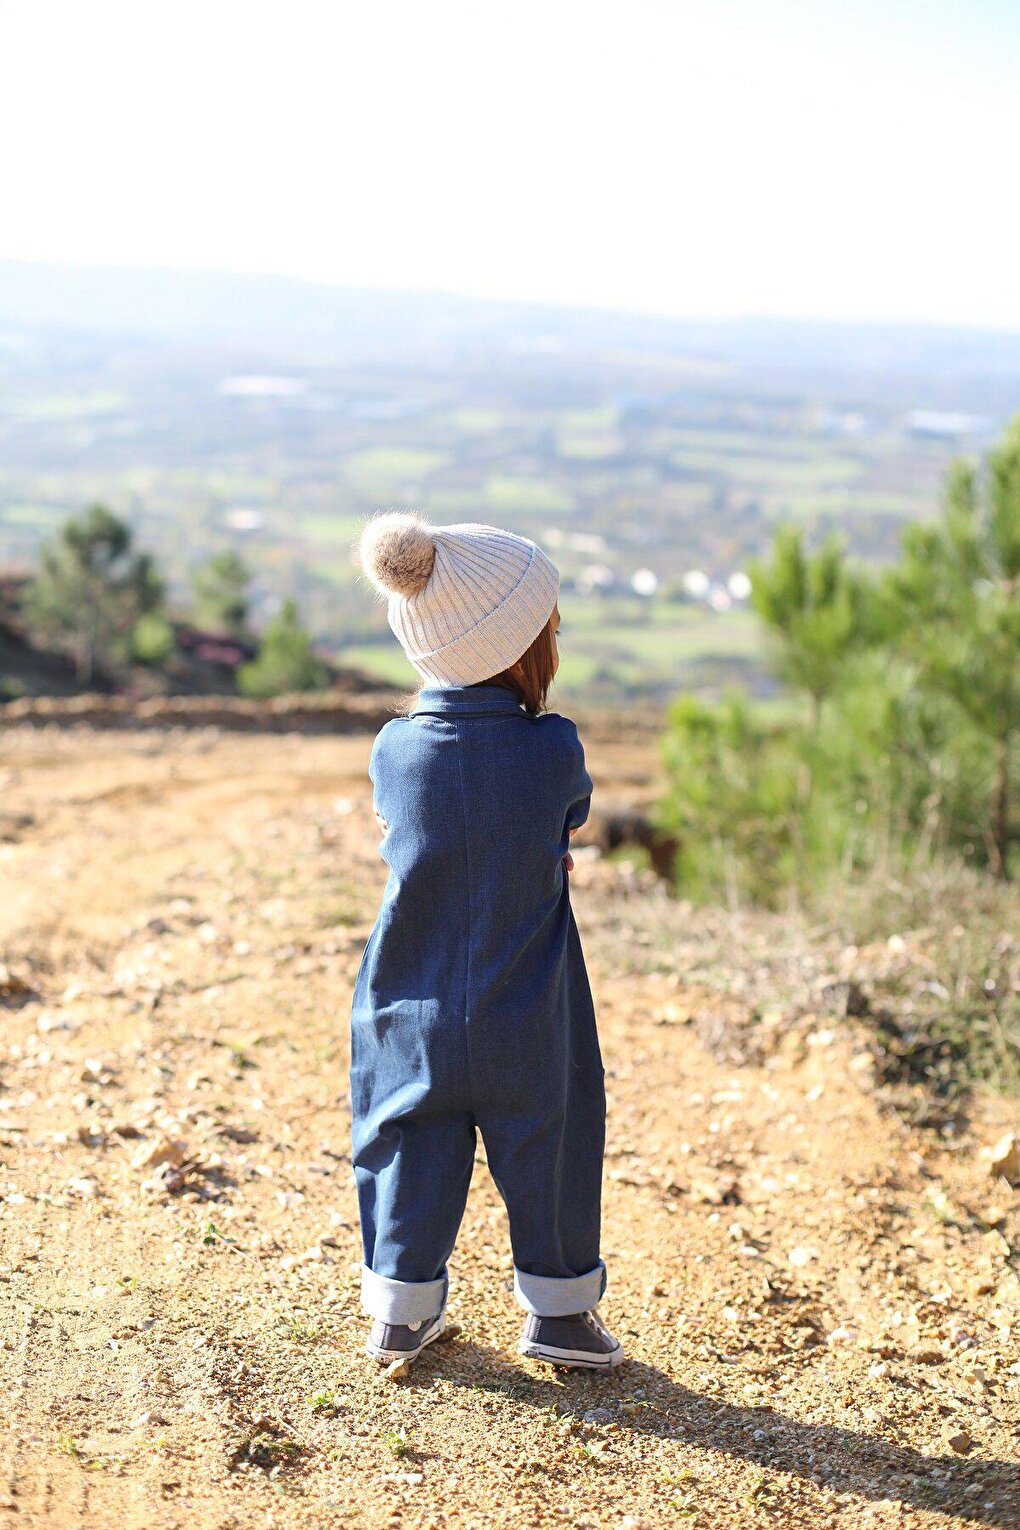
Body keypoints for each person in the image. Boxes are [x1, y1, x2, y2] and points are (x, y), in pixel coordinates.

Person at [350, 512, 621, 1371]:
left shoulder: (394, 749)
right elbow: (567, 820)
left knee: (407, 1135)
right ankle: (561, 1315)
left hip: (410, 995)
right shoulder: (553, 749)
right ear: (518, 646)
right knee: (551, 1137)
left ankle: (400, 1314)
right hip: (527, 1000)